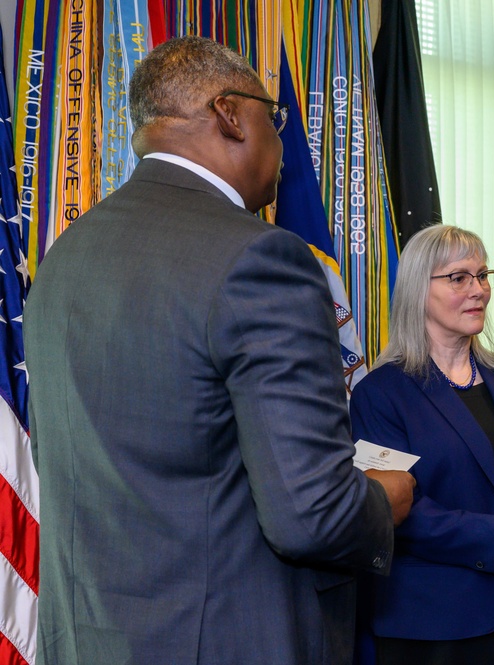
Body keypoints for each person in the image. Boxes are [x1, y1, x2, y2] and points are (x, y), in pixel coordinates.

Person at [23, 35, 414, 665]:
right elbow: (312, 515)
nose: (284, 147)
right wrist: (384, 498)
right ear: (231, 114)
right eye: (275, 118)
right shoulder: (261, 257)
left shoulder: (66, 255)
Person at [349, 224, 494, 665]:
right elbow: (392, 510)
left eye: (483, 275)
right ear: (418, 290)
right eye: (459, 278)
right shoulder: (382, 393)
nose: (478, 290)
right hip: (430, 623)